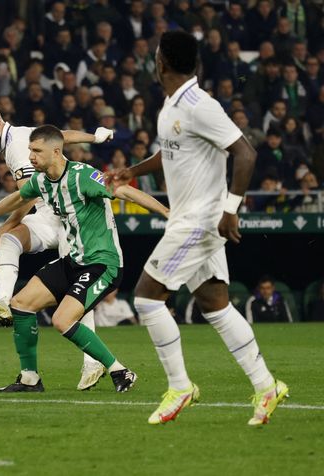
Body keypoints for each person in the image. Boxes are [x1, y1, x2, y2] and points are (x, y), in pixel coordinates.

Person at [109, 31, 288, 426]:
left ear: (161, 62)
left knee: (146, 298)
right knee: (215, 305)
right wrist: (133, 171)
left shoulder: (199, 104)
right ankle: (266, 386)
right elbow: (172, 150)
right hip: (188, 217)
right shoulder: (171, 106)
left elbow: (245, 151)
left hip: (199, 220)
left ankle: (180, 386)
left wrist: (232, 209)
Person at [0, 125, 168, 393]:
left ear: (56, 152)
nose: (30, 156)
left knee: (62, 320)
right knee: (20, 304)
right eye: (29, 150)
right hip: (73, 261)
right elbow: (16, 198)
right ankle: (29, 378)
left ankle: (120, 371)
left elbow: (124, 190)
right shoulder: (43, 180)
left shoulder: (82, 176)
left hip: (102, 264)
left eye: (36, 151)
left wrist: (166, 211)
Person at [0, 104, 115, 392]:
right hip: (50, 216)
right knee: (12, 240)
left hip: (68, 220)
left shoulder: (19, 146)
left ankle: (93, 361)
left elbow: (25, 199)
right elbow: (60, 136)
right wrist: (93, 138)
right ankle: (5, 304)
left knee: (75, 291)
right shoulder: (21, 136)